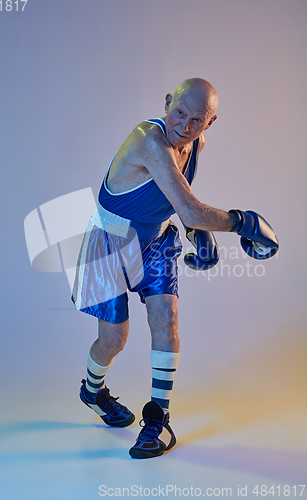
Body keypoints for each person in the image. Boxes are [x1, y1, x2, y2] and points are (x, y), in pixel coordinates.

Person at [71, 78, 278, 459]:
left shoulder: (195, 141)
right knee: (114, 339)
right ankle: (92, 389)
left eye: (197, 119)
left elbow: (176, 198)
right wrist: (245, 221)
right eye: (179, 112)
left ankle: (158, 419)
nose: (184, 125)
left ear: (209, 123)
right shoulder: (149, 139)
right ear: (168, 102)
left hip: (157, 241)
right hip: (110, 243)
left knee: (167, 319)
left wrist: (193, 229)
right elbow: (188, 207)